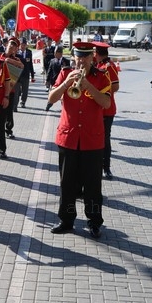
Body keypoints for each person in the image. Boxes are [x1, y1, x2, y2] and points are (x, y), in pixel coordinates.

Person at [48, 41, 111, 239]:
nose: (81, 61)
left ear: (93, 57)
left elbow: (106, 103)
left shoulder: (101, 77)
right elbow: (51, 98)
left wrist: (88, 86)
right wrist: (67, 83)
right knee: (67, 184)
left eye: (85, 57)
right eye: (78, 56)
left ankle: (94, 221)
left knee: (93, 185)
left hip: (92, 139)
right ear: (74, 56)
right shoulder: (65, 72)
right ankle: (66, 220)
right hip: (69, 137)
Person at [93, 42, 120, 180]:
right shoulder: (96, 65)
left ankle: (106, 167)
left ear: (97, 53)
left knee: (105, 139)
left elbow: (115, 87)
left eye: (93, 53)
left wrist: (100, 92)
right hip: (95, 109)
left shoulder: (108, 67)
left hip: (106, 109)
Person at [45, 46, 71, 111]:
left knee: (63, 97)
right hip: (54, 82)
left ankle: (64, 109)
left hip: (63, 82)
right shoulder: (52, 61)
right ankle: (49, 104)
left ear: (60, 53)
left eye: (56, 53)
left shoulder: (66, 61)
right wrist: (47, 80)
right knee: (53, 95)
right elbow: (49, 71)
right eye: (54, 52)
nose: (54, 54)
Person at [13, 40, 34, 109]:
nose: (23, 46)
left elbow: (30, 64)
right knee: (16, 91)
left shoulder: (29, 53)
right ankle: (15, 105)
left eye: (24, 45)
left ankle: (23, 102)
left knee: (25, 90)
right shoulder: (16, 53)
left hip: (26, 75)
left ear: (26, 45)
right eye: (21, 44)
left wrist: (32, 75)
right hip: (17, 75)